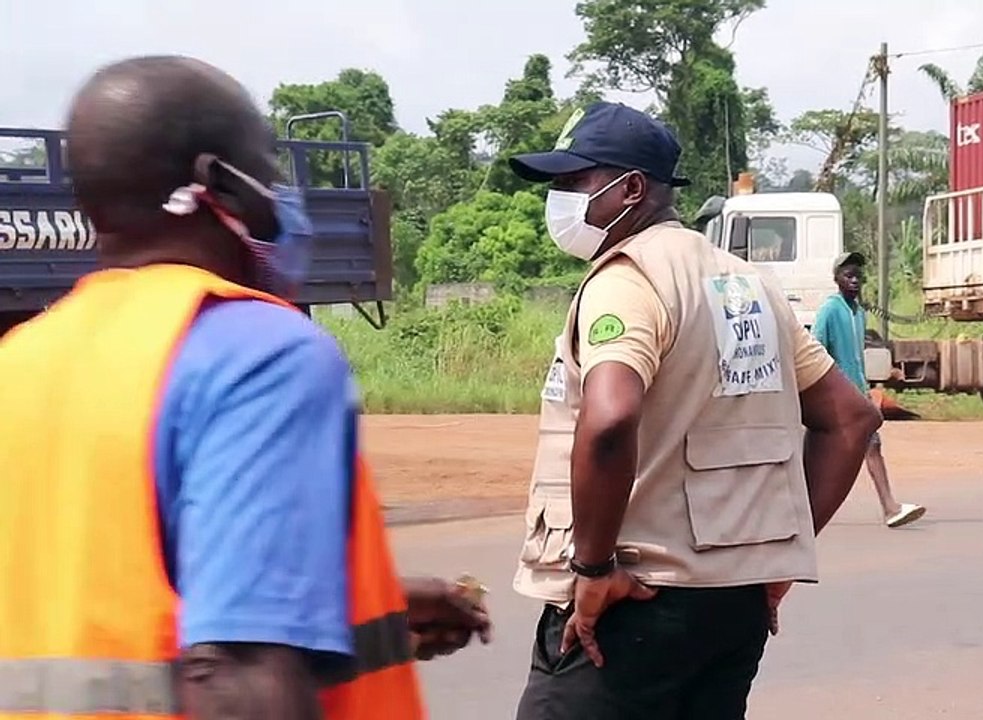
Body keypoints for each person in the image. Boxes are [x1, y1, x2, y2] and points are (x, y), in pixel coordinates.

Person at [0, 55, 490, 720]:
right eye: (268, 172)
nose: (282, 198)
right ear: (217, 184)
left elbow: (102, 592)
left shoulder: (22, 358)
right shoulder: (260, 353)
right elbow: (240, 675)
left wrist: (379, 605)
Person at [507, 101, 883, 720]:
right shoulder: (747, 284)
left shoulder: (627, 280)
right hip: (732, 609)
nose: (560, 199)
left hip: (634, 599)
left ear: (630, 189)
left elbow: (608, 420)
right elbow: (851, 419)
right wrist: (781, 556)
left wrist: (594, 568)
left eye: (574, 182)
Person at [813, 252, 927, 528]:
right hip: (838, 393)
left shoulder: (859, 313)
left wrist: (866, 387)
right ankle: (889, 507)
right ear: (836, 279)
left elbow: (858, 356)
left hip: (858, 392)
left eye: (857, 276)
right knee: (860, 447)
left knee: (868, 446)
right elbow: (815, 348)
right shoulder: (830, 310)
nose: (854, 280)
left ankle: (889, 507)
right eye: (848, 275)